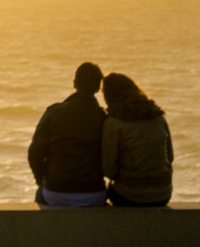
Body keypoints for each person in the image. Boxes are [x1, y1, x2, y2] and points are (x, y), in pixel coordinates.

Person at [28, 62, 109, 207]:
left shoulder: (53, 113)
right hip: (94, 194)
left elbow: (34, 152)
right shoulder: (104, 118)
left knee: (40, 195)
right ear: (98, 87)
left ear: (75, 83)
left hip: (56, 192)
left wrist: (42, 180)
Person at [101, 72, 174, 207]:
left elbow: (108, 170)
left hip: (128, 195)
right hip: (163, 194)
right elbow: (170, 156)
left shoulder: (114, 122)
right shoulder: (158, 116)